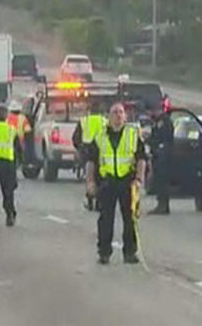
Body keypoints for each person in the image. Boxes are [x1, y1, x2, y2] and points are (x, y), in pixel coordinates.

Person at [85, 102, 147, 264]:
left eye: (121, 112)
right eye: (115, 113)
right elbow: (91, 161)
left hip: (127, 181)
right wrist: (90, 182)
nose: (118, 116)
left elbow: (141, 159)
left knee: (130, 218)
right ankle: (104, 252)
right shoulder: (100, 136)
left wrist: (139, 179)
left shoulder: (133, 135)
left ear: (125, 116)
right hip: (108, 181)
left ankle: (130, 252)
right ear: (109, 117)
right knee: (106, 218)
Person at [0, 105, 23, 226]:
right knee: (8, 192)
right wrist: (19, 163)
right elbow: (18, 148)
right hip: (8, 164)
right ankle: (10, 215)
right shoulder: (11, 130)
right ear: (6, 116)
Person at [73, 102, 107, 210]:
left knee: (89, 177)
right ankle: (100, 202)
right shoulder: (104, 121)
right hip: (102, 151)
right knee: (101, 177)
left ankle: (90, 199)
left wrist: (79, 148)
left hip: (87, 151)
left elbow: (76, 138)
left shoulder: (84, 121)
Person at [147, 110, 175, 215]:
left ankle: (163, 205)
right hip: (159, 155)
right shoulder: (158, 122)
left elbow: (163, 139)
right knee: (159, 180)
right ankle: (162, 205)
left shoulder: (165, 122)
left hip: (163, 156)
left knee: (162, 180)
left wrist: (152, 142)